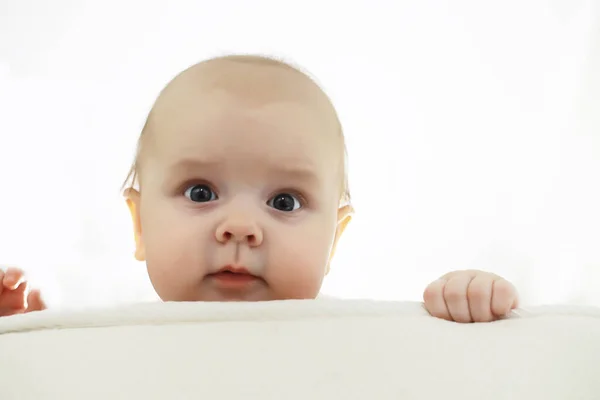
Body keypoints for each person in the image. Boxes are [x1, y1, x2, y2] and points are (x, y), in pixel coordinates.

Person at [0, 55, 519, 323]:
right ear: (138, 224)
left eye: (284, 202)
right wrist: (28, 340)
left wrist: (464, 303)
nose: (242, 228)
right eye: (200, 193)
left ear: (334, 241)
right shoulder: (113, 337)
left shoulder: (352, 337)